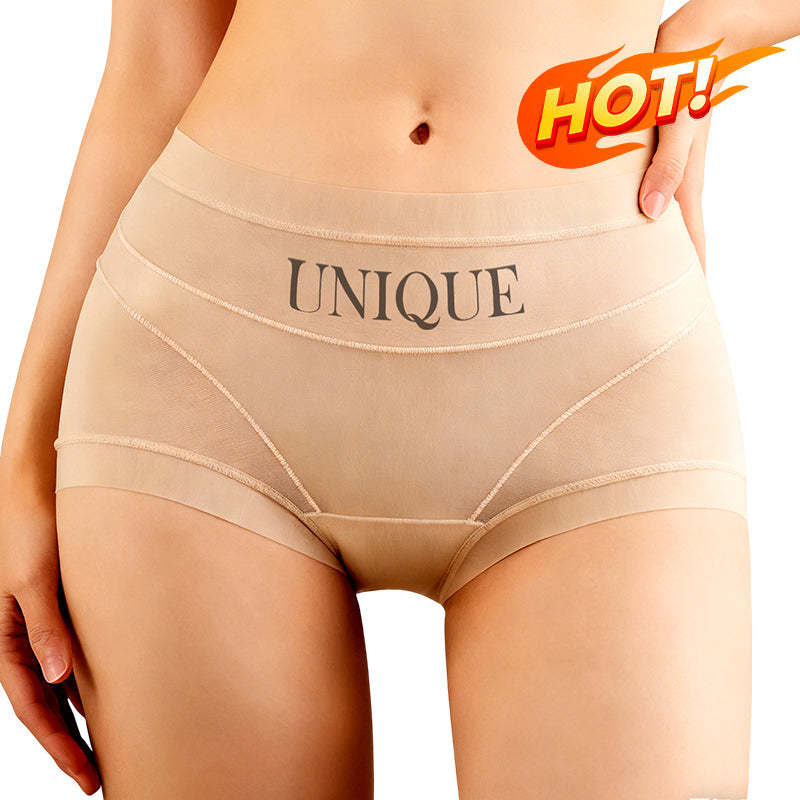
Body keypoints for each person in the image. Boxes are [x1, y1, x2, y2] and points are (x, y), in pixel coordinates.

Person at [0, 1, 797, 797]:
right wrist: (25, 465)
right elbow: (158, 63)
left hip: (593, 365)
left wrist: (714, 29)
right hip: (205, 361)